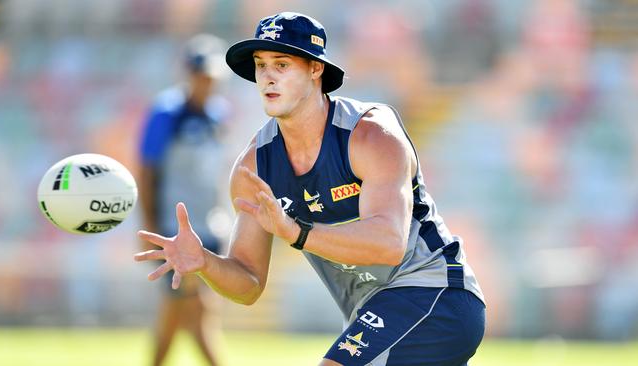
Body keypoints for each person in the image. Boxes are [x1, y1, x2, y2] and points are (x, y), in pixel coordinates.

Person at [136, 12, 485, 366]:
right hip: (377, 312)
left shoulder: (371, 135)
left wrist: (297, 232)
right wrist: (205, 263)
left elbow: (389, 243)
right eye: (260, 65)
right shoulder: (254, 167)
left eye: (282, 64)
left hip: (437, 293)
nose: (267, 77)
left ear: (316, 69)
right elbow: (249, 283)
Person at [137, 33, 229, 366]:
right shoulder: (167, 113)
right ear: (189, 74)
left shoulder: (218, 114)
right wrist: (149, 225)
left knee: (179, 311)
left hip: (210, 224)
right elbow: (147, 173)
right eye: (202, 75)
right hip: (176, 230)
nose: (208, 83)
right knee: (197, 309)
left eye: (213, 76)